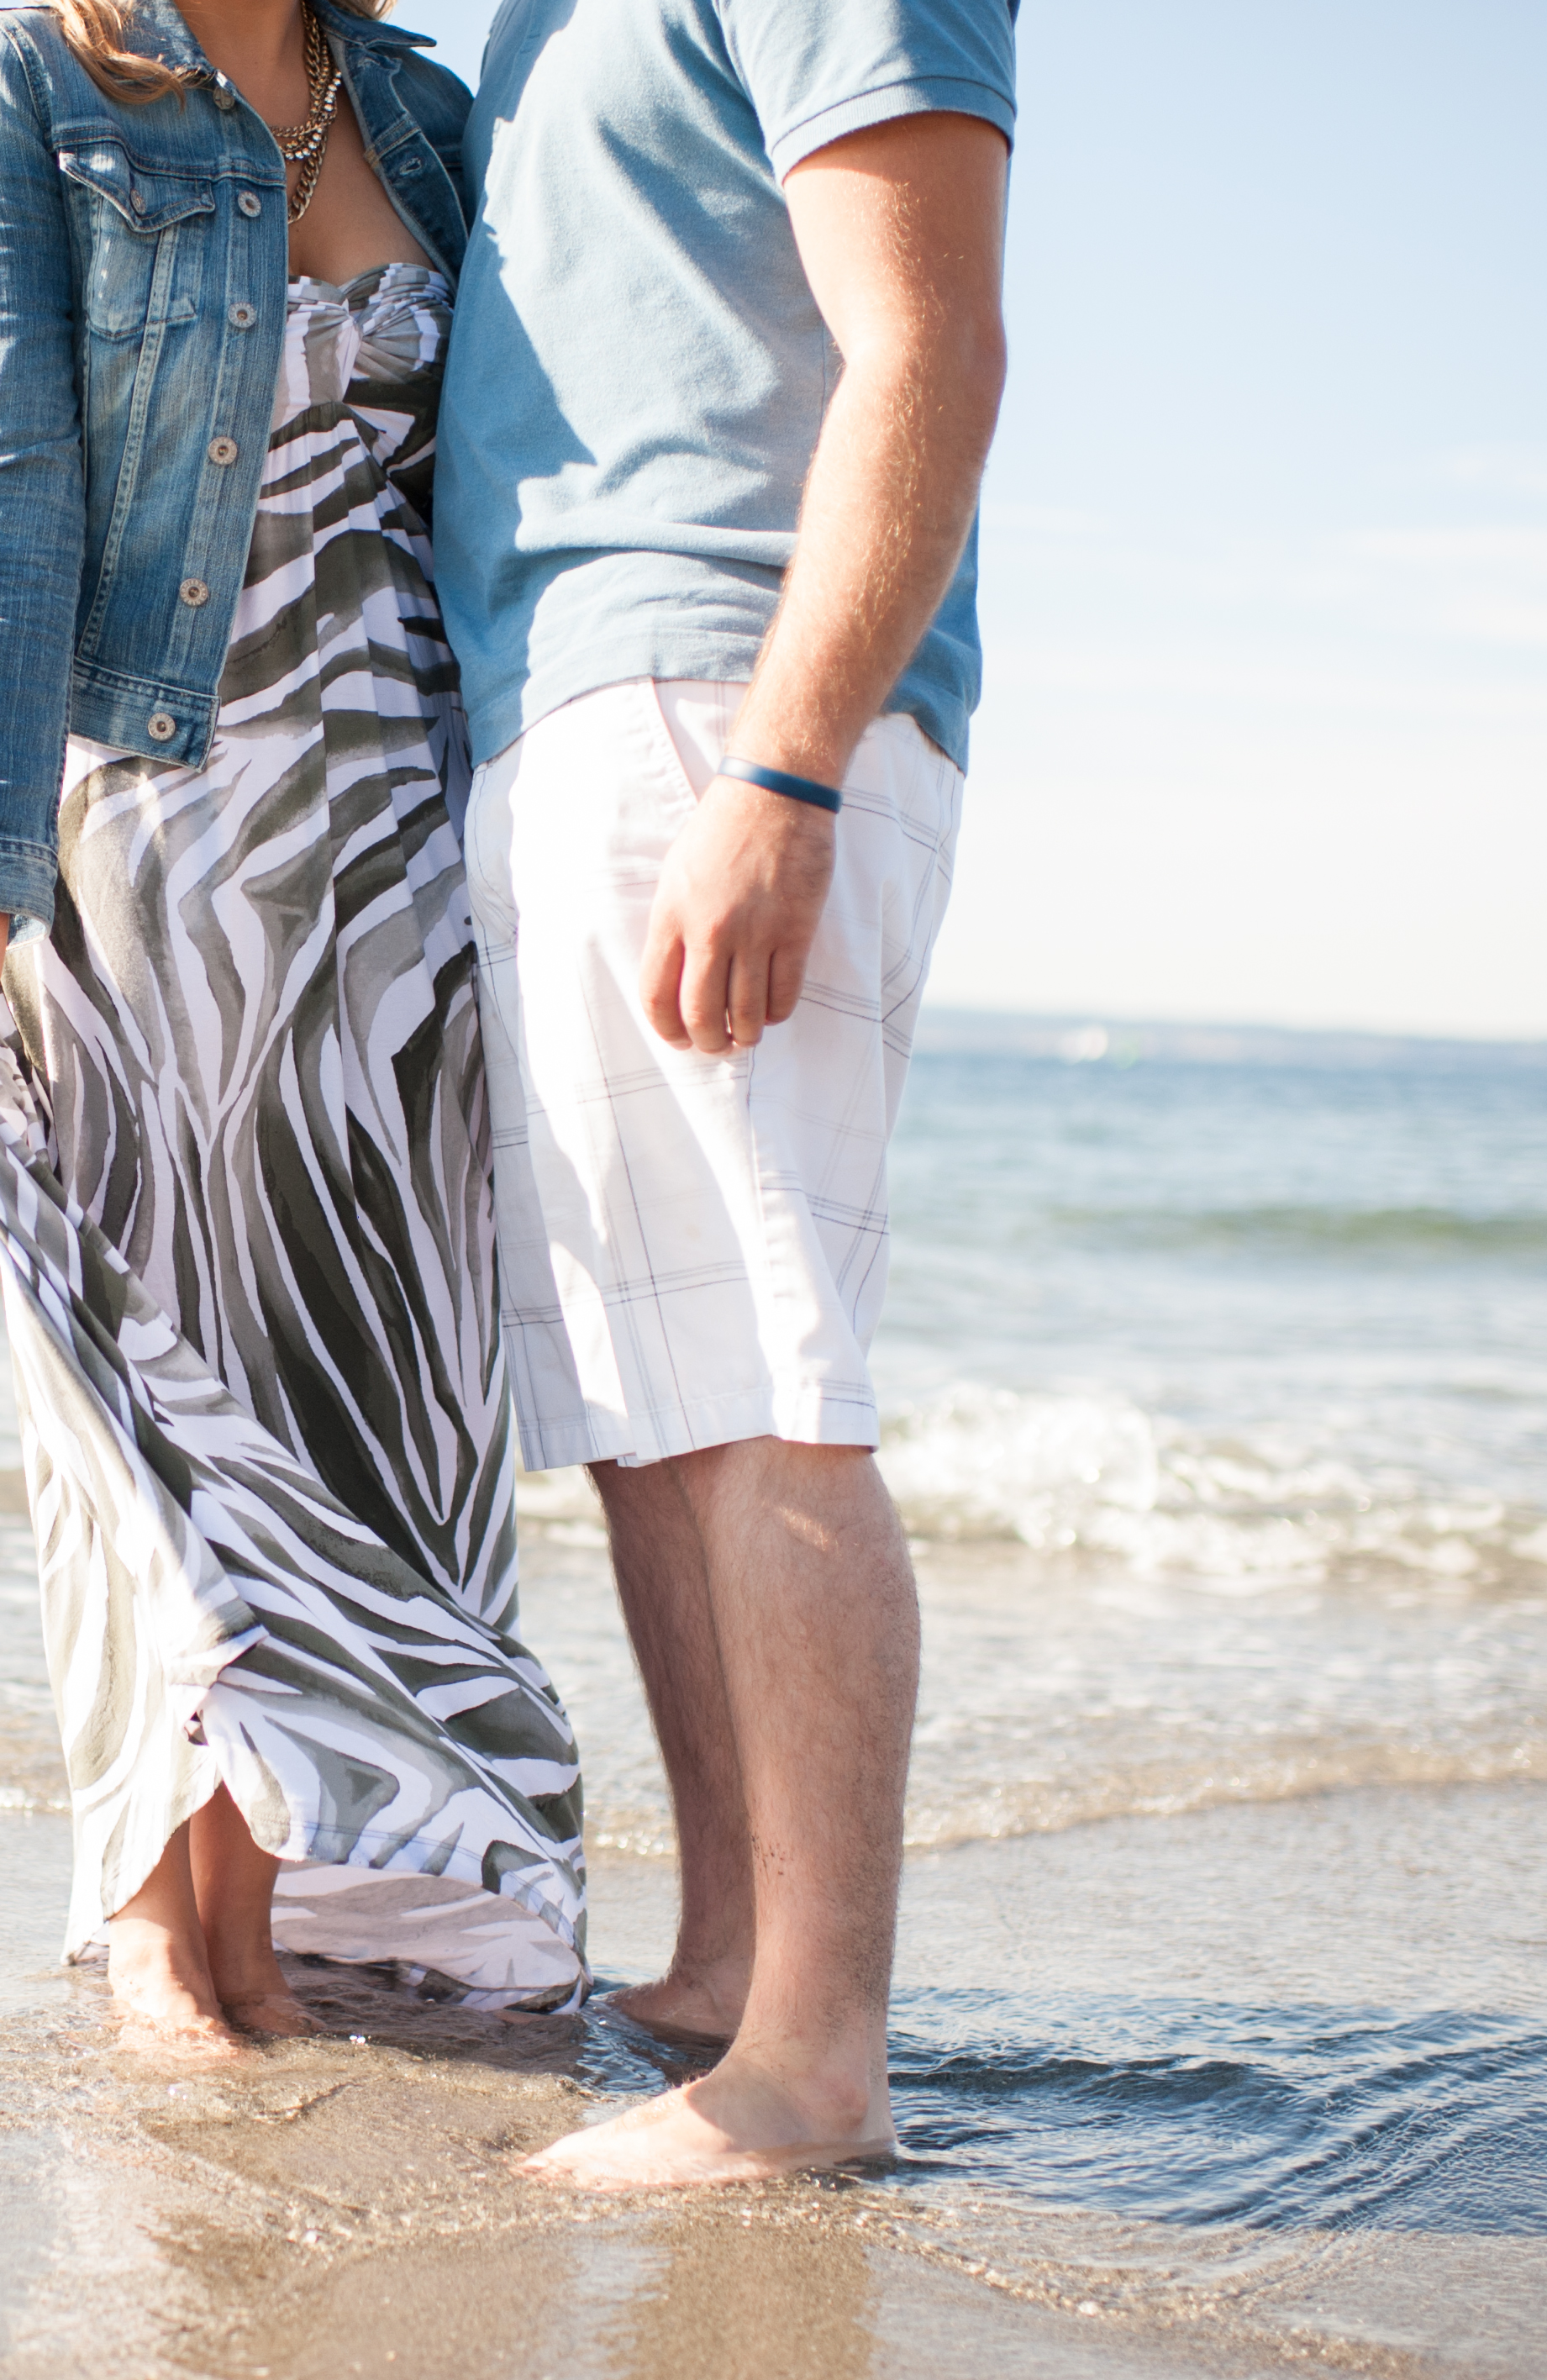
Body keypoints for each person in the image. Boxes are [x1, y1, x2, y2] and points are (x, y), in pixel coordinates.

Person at [0, 0, 589, 2055]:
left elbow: (517, 493)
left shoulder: (429, 110)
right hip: (163, 828)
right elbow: (7, 474)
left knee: (353, 1402)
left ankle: (288, 1909)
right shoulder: (39, 81)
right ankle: (176, 1933)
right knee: (163, 1391)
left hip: (405, 861)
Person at [429, 0, 1018, 2183]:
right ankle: (722, 1968)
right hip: (576, 698)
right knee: (647, 1394)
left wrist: (783, 768)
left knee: (767, 1372)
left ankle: (811, 2064)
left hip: (723, 688)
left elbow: (932, 342)